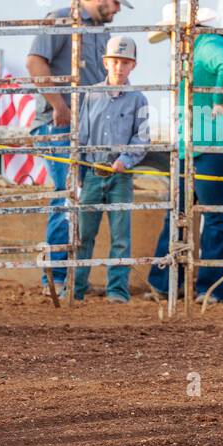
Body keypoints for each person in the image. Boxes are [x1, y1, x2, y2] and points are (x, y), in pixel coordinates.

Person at [26, 0, 131, 297]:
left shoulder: (102, 31)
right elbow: (35, 62)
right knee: (67, 194)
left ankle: (70, 276)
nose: (116, 10)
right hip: (59, 124)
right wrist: (59, 106)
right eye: (115, 3)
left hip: (86, 128)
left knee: (75, 197)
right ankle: (57, 276)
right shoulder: (62, 19)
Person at [145, 1, 223, 304]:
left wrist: (216, 99)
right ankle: (178, 284)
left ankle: (206, 287)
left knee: (203, 214)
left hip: (211, 143)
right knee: (184, 213)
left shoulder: (208, 43)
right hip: (196, 144)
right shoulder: (200, 47)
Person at [71, 35, 151, 303]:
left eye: (125, 62)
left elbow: (142, 138)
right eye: (115, 61)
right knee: (84, 234)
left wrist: (125, 160)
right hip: (93, 170)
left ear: (134, 66)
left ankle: (117, 291)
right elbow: (81, 135)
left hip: (120, 174)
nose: (119, 67)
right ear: (106, 62)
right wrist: (79, 170)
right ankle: (76, 289)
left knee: (121, 236)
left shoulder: (138, 100)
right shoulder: (91, 94)